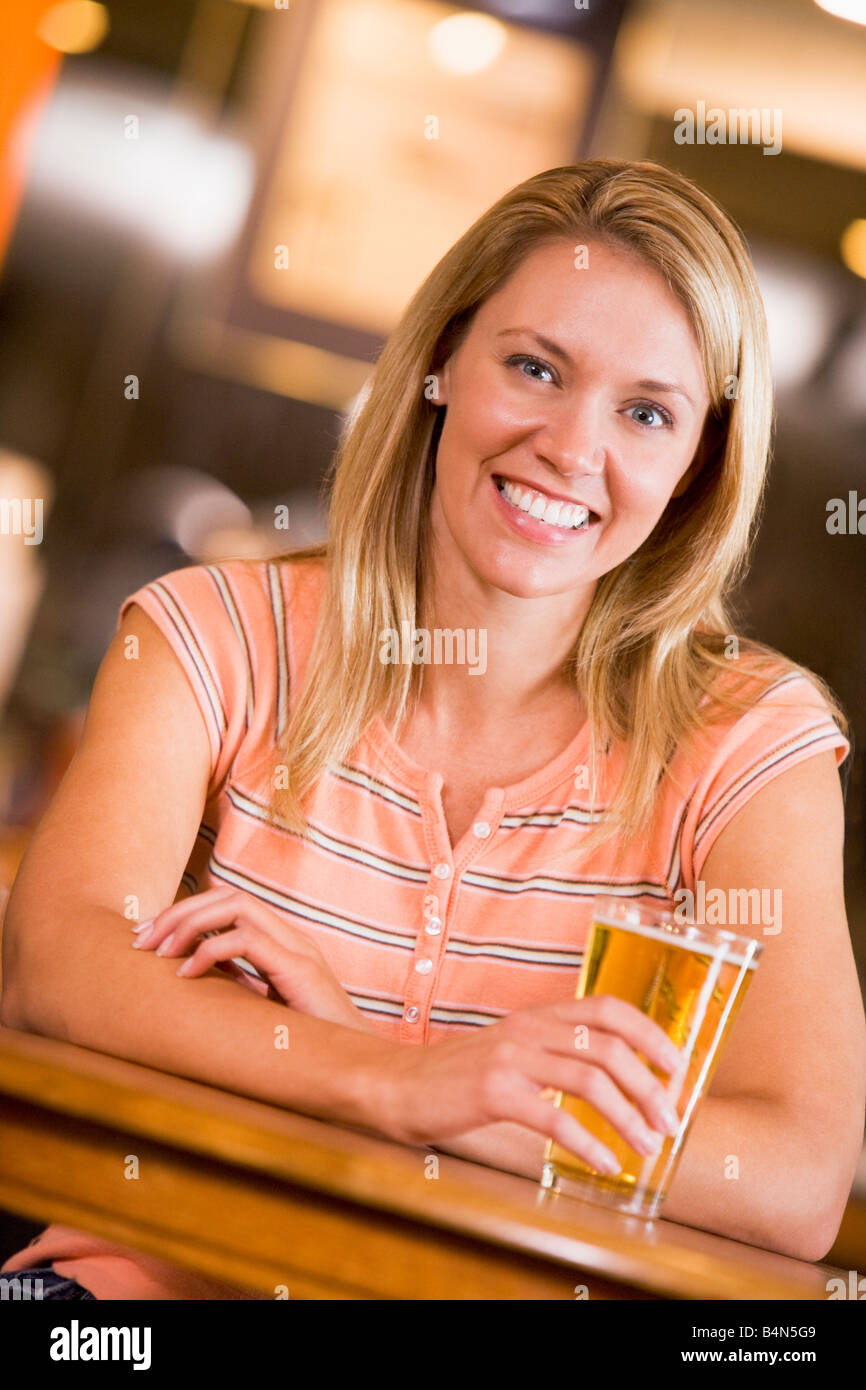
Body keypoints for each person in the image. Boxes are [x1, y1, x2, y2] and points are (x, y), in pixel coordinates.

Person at [2, 160, 864, 1300]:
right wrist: (397, 1084)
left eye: (644, 411)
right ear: (438, 366)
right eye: (532, 367)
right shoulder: (207, 634)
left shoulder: (747, 744)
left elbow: (795, 1179)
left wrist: (398, 1073)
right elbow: (58, 967)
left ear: (697, 459)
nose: (569, 445)